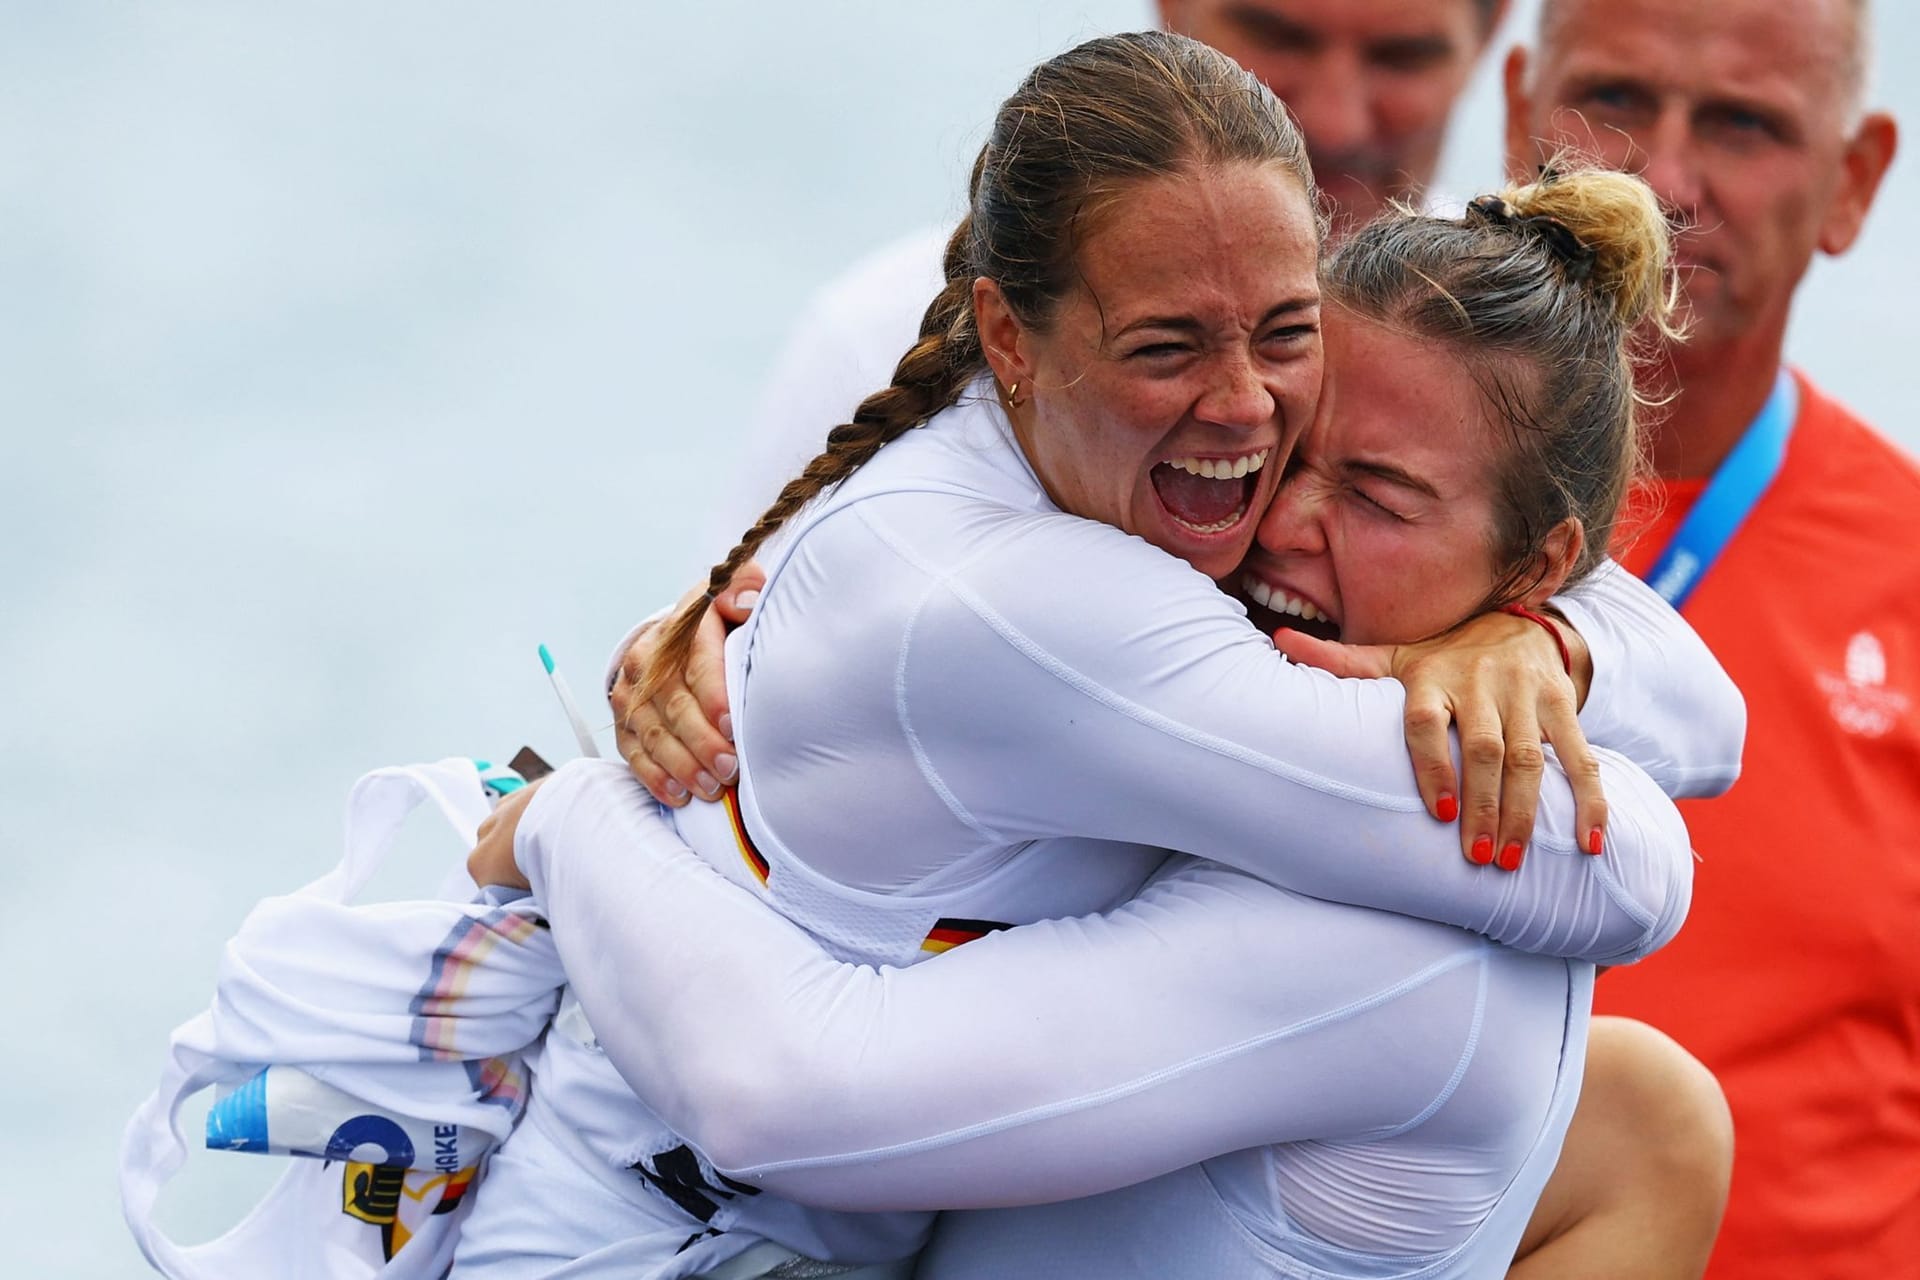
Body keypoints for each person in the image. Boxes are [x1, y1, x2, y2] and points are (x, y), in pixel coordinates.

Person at [461, 34, 1735, 1279]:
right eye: (1167, 346)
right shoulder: (1034, 601)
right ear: (1009, 336)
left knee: (1648, 1113)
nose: (1255, 435)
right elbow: (1616, 869)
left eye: (1284, 339)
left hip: (773, 1202)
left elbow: (1709, 715)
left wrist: (1549, 644)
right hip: (655, 1237)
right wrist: (582, 819)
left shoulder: (1088, 489)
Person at [1502, 2, 1919, 1273]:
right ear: (1521, 114)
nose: (1663, 181)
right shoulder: (1307, 514)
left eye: (1744, 123)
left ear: (1852, 185)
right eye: (1613, 101)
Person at [721, 0, 1512, 544]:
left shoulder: (1508, 338)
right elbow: (720, 663)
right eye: (1281, 35)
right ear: (1007, 340)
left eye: (1402, 56)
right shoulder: (876, 333)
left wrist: (1544, 641)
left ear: (1498, 26)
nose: (1335, 118)